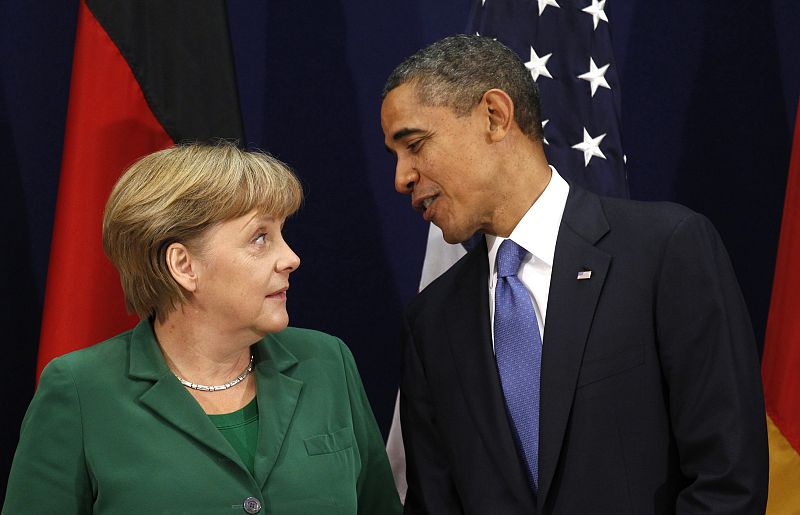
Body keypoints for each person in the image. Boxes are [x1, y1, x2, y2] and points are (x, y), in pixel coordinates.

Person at [380, 35, 768, 514]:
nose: (401, 177)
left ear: (494, 116)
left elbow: (728, 483)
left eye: (414, 145)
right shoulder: (431, 322)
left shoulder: (666, 251)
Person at [3, 143, 402, 514]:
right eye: (260, 237)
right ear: (184, 266)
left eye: (282, 234)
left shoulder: (327, 362)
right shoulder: (79, 389)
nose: (291, 257)